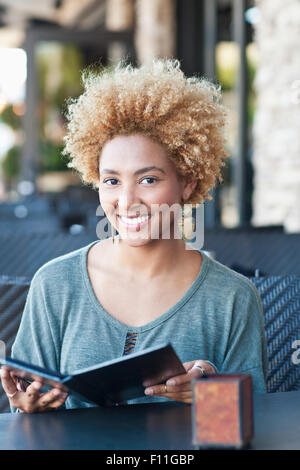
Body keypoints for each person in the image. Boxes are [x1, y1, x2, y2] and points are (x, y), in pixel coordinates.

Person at [0, 59, 268, 413]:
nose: (126, 202)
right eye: (111, 181)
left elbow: (257, 419)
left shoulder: (232, 297)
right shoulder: (55, 284)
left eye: (148, 179)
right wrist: (28, 410)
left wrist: (214, 392)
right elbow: (27, 411)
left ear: (187, 181)